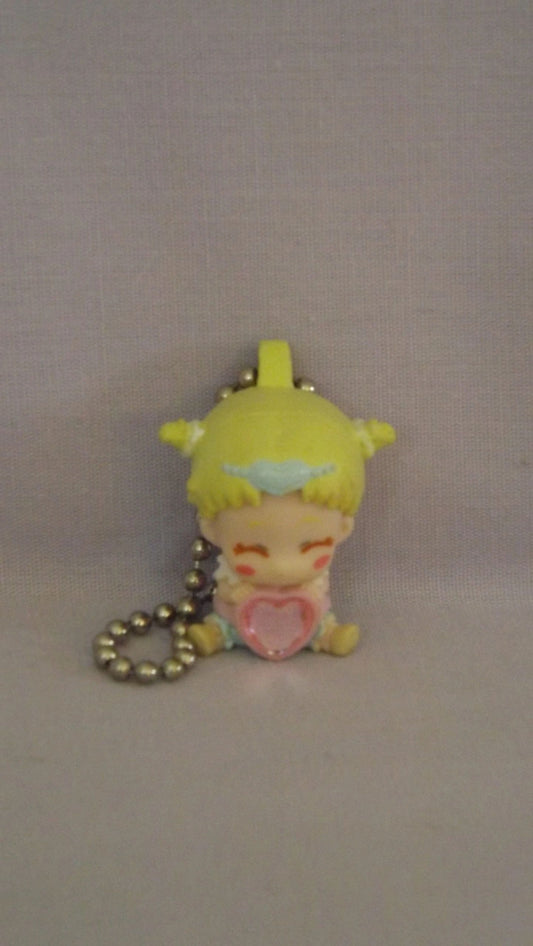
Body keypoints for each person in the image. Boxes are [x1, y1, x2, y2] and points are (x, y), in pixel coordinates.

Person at [159, 340, 395, 660]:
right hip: (241, 614)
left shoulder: (312, 582)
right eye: (254, 549)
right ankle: (220, 633)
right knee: (225, 619)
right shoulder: (234, 580)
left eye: (309, 546)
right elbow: (228, 591)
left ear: (343, 527)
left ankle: (324, 634)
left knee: (319, 618)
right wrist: (236, 593)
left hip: (304, 614)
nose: (282, 566)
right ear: (211, 529)